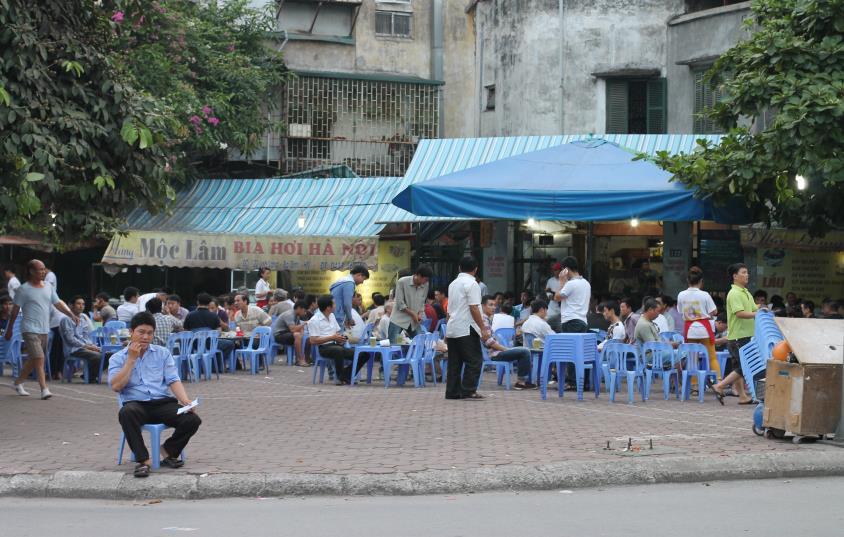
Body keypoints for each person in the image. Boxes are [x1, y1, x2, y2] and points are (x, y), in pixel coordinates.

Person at [109, 311, 201, 478]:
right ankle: (143, 461)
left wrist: (185, 400)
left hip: (161, 403)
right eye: (141, 332)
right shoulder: (117, 358)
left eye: (150, 333)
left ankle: (168, 451)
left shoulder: (162, 353)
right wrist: (131, 360)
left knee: (192, 419)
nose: (145, 337)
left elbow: (173, 380)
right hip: (136, 405)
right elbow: (116, 386)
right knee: (126, 413)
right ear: (131, 332)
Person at [4, 259, 77, 399]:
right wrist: (9, 330)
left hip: (44, 329)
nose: (43, 272)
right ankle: (44, 389)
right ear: (31, 271)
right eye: (40, 269)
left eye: (44, 269)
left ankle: (18, 383)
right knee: (39, 357)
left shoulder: (48, 286)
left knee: (34, 359)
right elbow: (14, 312)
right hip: (29, 328)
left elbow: (58, 303)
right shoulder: (23, 289)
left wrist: (71, 314)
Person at [710, 263, 757, 405]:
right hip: (739, 337)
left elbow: (754, 308)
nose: (747, 275)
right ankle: (719, 386)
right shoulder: (735, 293)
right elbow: (740, 313)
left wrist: (762, 309)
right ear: (735, 276)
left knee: (739, 367)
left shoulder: (746, 292)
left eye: (747, 272)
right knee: (745, 367)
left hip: (744, 336)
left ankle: (742, 396)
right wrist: (757, 313)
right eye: (743, 272)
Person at [444, 256, 488, 400]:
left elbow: (449, 310)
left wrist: (446, 330)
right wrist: (483, 328)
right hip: (466, 327)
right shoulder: (472, 284)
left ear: (459, 268)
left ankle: (452, 391)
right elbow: (474, 307)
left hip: (453, 326)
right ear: (475, 269)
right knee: (475, 360)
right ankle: (468, 389)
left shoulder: (453, 284)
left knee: (454, 362)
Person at [308, 295, 369, 385]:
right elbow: (313, 341)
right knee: (338, 350)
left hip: (336, 344)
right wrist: (332, 337)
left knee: (364, 354)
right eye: (334, 304)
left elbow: (336, 332)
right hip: (324, 348)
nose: (336, 306)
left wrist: (341, 338)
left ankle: (346, 375)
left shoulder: (332, 316)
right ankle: (341, 377)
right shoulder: (314, 320)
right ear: (328, 307)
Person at [480, 295, 535, 390]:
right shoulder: (483, 320)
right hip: (494, 353)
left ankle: (523, 381)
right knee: (525, 352)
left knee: (524, 351)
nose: (494, 307)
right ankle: (521, 382)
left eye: (494, 305)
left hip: (496, 351)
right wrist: (505, 349)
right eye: (490, 305)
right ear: (483, 306)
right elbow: (489, 342)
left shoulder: (489, 319)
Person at [677, 267, 720, 379]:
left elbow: (680, 311)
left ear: (688, 280)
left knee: (692, 358)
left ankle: (694, 386)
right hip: (704, 330)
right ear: (701, 281)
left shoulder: (681, 295)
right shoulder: (705, 295)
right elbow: (714, 311)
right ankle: (719, 382)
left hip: (690, 330)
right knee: (712, 358)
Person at [59, 296, 102, 381]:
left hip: (84, 347)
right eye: (78, 304)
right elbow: (70, 340)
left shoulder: (83, 318)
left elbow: (87, 335)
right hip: (74, 349)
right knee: (98, 356)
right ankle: (90, 377)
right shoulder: (66, 319)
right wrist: (87, 346)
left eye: (83, 304)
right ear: (71, 306)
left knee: (107, 354)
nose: (81, 306)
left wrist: (91, 345)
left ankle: (88, 375)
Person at [183, 293, 234, 364]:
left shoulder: (190, 315)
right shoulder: (214, 316)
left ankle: (195, 365)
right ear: (209, 303)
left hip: (194, 344)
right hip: (210, 344)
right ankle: (216, 364)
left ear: (197, 302)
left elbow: (185, 332)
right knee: (230, 344)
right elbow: (218, 333)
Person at [389, 265, 432, 344]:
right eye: (425, 279)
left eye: (427, 280)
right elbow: (400, 303)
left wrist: (420, 313)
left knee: (420, 343)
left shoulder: (426, 284)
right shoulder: (402, 281)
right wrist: (413, 314)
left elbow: (422, 301)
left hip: (413, 320)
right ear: (418, 275)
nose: (425, 282)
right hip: (398, 319)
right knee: (393, 344)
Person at [554, 257, 590, 333]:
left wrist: (561, 283)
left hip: (571, 321)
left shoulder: (571, 284)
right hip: (583, 321)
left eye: (562, 270)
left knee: (569, 344)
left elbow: (556, 298)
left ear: (566, 270)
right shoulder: (586, 283)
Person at [329, 264, 369, 329]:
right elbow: (347, 303)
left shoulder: (342, 281)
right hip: (337, 315)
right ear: (359, 274)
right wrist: (350, 319)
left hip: (333, 314)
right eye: (363, 279)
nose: (362, 282)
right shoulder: (349, 283)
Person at [273, 300, 309, 367]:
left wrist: (302, 333)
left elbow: (300, 328)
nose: (305, 313)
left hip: (287, 333)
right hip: (279, 335)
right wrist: (304, 323)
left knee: (302, 336)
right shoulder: (289, 314)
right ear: (299, 308)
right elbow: (293, 329)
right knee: (297, 335)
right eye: (304, 311)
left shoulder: (297, 316)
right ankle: (300, 360)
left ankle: (303, 358)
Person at [545, 262, 563, 332]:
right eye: (554, 270)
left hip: (562, 306)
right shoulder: (550, 280)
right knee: (547, 321)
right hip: (552, 306)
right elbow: (547, 291)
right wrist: (550, 296)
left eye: (556, 270)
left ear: (560, 270)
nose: (554, 272)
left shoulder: (565, 280)